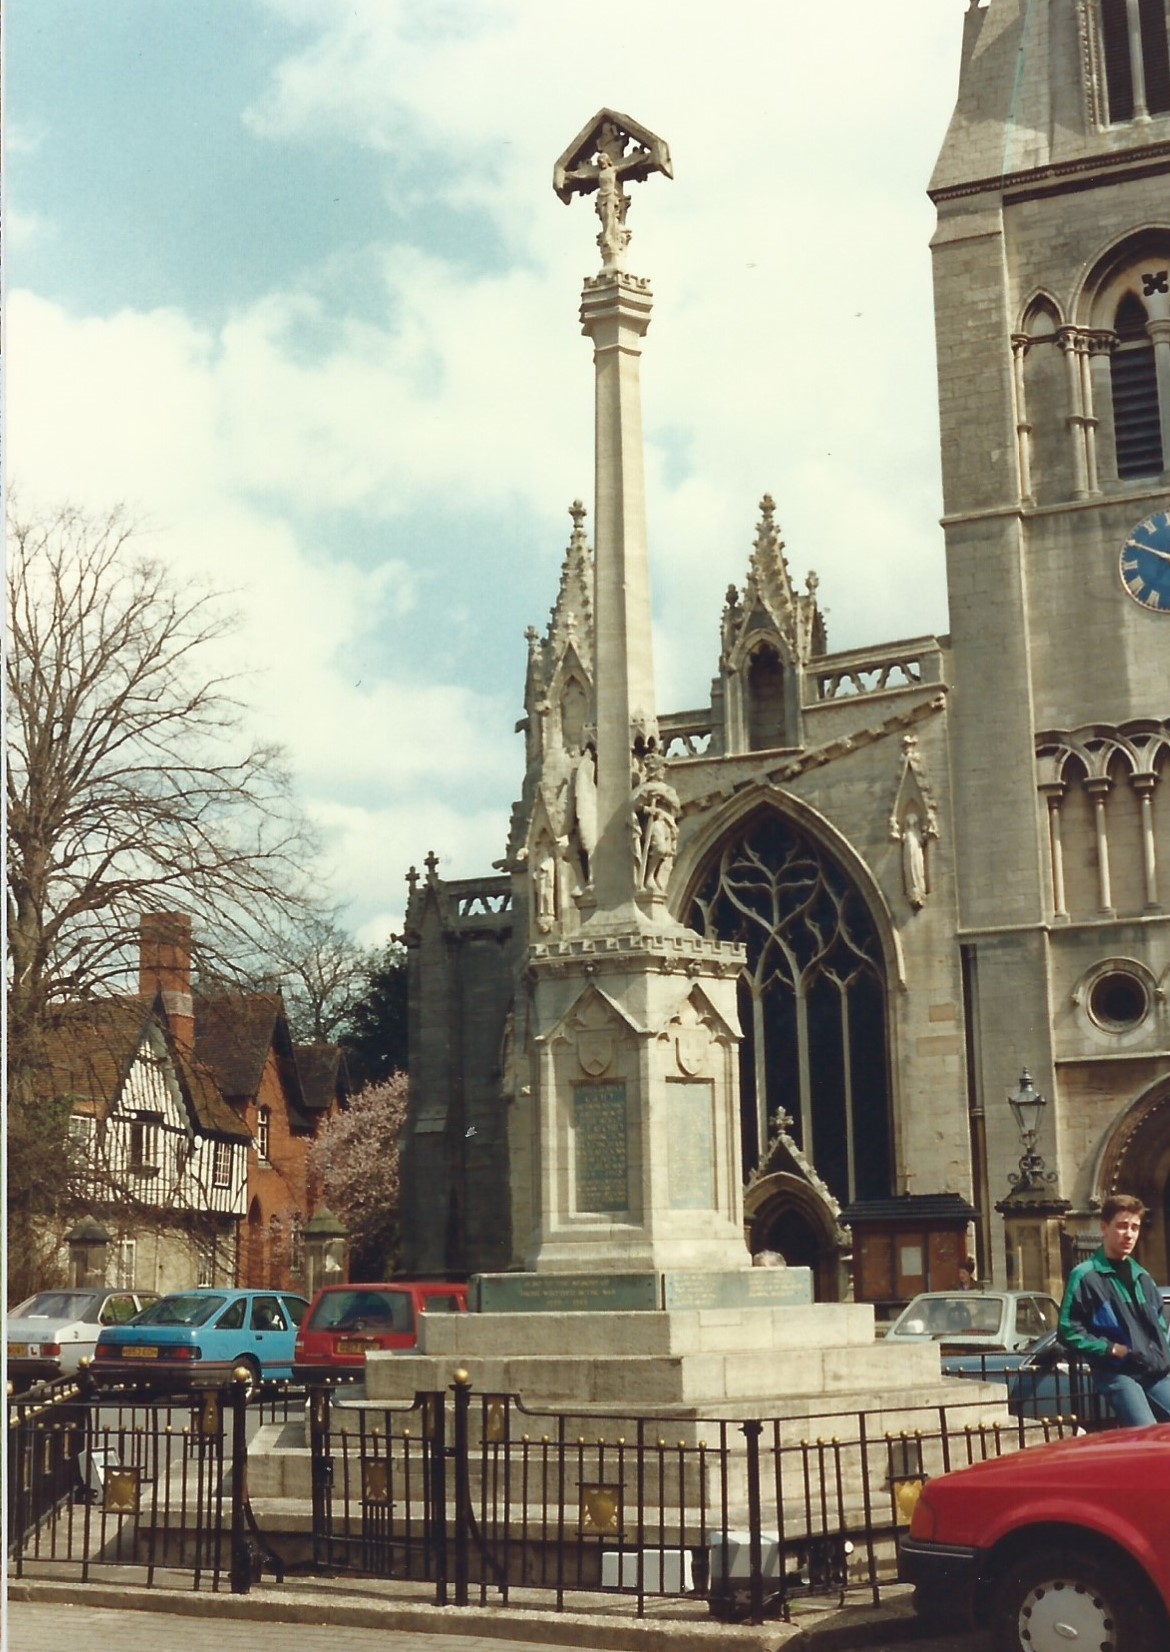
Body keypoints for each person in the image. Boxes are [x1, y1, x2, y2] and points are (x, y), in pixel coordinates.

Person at [1058, 1193, 1170, 1427]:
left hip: (1153, 1371)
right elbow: (1068, 1329)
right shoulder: (1086, 1275)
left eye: (1134, 1227)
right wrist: (1109, 1349)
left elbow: (1161, 1327)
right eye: (1121, 1226)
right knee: (1145, 1434)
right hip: (1118, 1373)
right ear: (1104, 1228)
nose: (1129, 1234)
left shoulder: (1143, 1277)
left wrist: (1162, 1354)